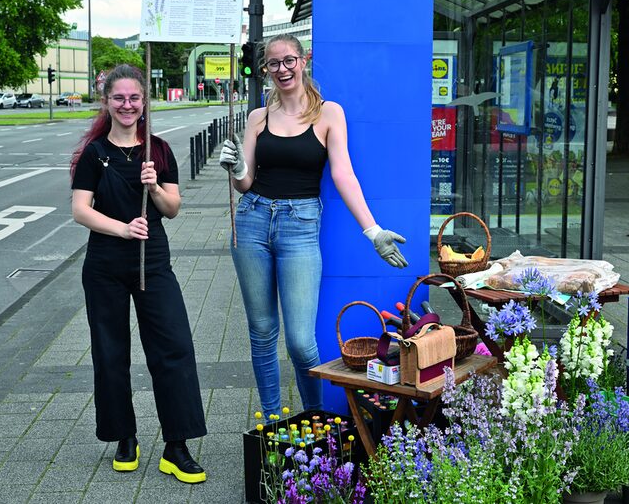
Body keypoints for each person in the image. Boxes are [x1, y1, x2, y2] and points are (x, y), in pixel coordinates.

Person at [219, 34, 408, 420]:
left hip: (300, 226)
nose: (282, 69)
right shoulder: (258, 117)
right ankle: (271, 422)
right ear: (266, 70)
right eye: (273, 64)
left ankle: (315, 420)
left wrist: (373, 231)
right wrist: (236, 167)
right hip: (252, 220)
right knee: (261, 333)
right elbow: (245, 183)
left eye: (289, 60)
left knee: (301, 343)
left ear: (303, 60)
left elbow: (344, 174)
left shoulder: (329, 114)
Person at [69, 64, 207, 484]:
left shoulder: (158, 151)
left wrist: (154, 188)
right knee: (110, 353)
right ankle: (124, 436)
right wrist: (124, 229)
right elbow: (80, 210)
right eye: (119, 98)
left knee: (174, 347)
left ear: (144, 101)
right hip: (106, 264)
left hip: (153, 261)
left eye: (134, 98)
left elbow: (173, 208)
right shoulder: (94, 153)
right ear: (107, 102)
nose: (127, 105)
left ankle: (176, 445)